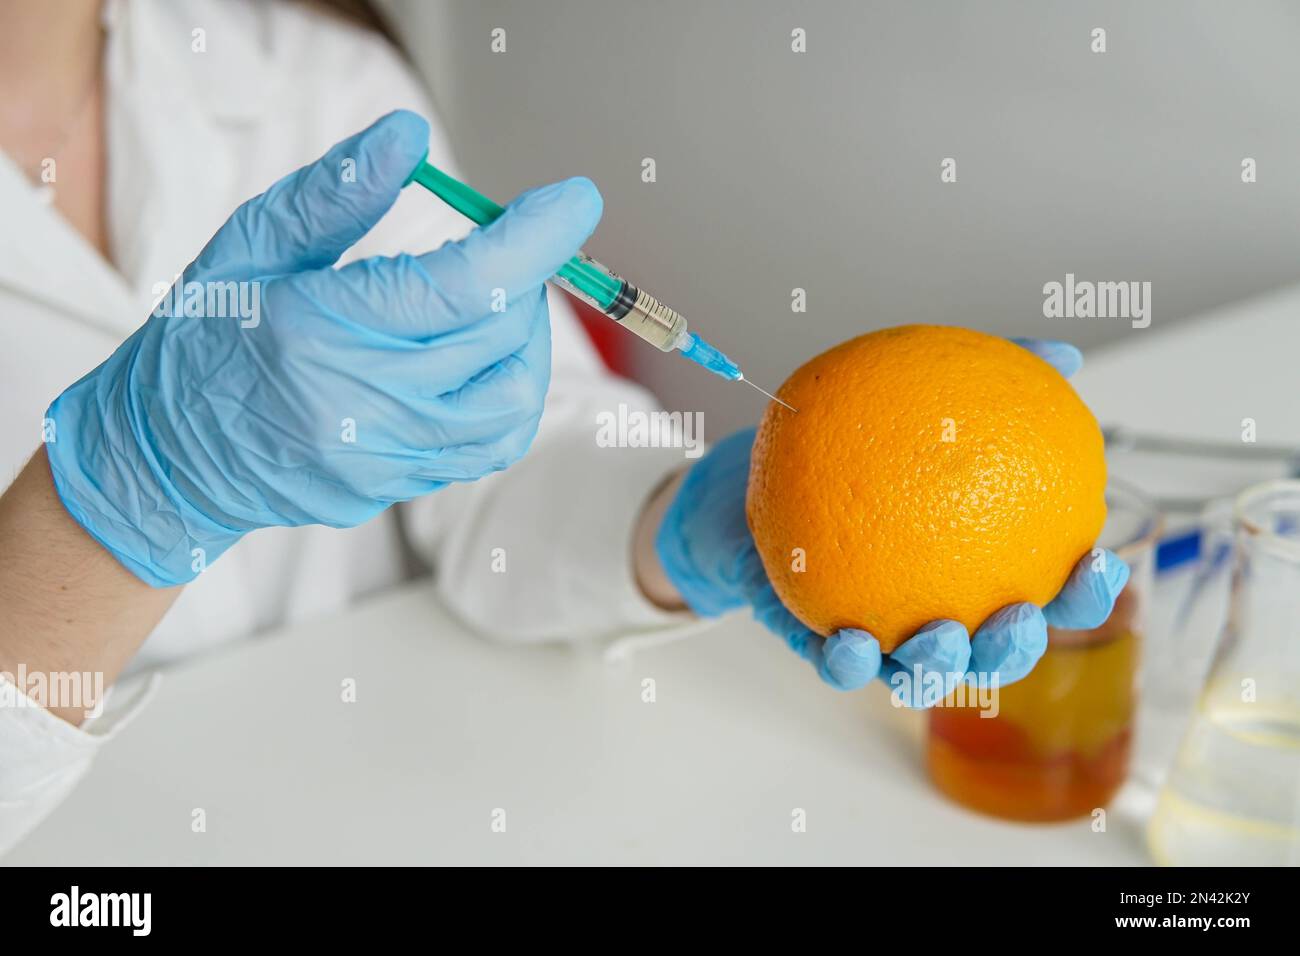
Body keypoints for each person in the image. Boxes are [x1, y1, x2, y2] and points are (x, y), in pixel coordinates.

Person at [0, 0, 1124, 856]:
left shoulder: (317, 78)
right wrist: (118, 499)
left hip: (393, 806)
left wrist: (677, 523)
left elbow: (498, 466)